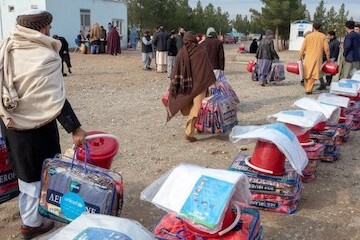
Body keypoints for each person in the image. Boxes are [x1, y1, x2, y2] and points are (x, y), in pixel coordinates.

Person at [0, 9, 86, 239]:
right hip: (37, 128)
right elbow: (54, 98)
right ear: (39, 28)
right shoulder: (44, 56)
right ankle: (33, 223)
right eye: (47, 26)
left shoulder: (7, 47)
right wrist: (75, 128)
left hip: (12, 124)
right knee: (38, 176)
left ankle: (33, 218)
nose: (49, 30)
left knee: (25, 176)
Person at [166, 31, 216, 142]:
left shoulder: (181, 52)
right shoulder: (200, 51)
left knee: (195, 107)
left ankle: (198, 127)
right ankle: (189, 131)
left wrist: (174, 83)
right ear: (194, 39)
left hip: (186, 86)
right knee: (198, 108)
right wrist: (212, 80)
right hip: (200, 85)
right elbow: (207, 67)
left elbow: (175, 70)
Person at [299, 23, 330, 94]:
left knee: (306, 73)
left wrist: (300, 57)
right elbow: (327, 49)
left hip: (307, 57)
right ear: (320, 28)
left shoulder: (308, 36)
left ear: (313, 27)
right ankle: (308, 89)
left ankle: (308, 88)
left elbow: (302, 48)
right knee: (313, 73)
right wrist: (328, 59)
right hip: (317, 58)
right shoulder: (323, 36)